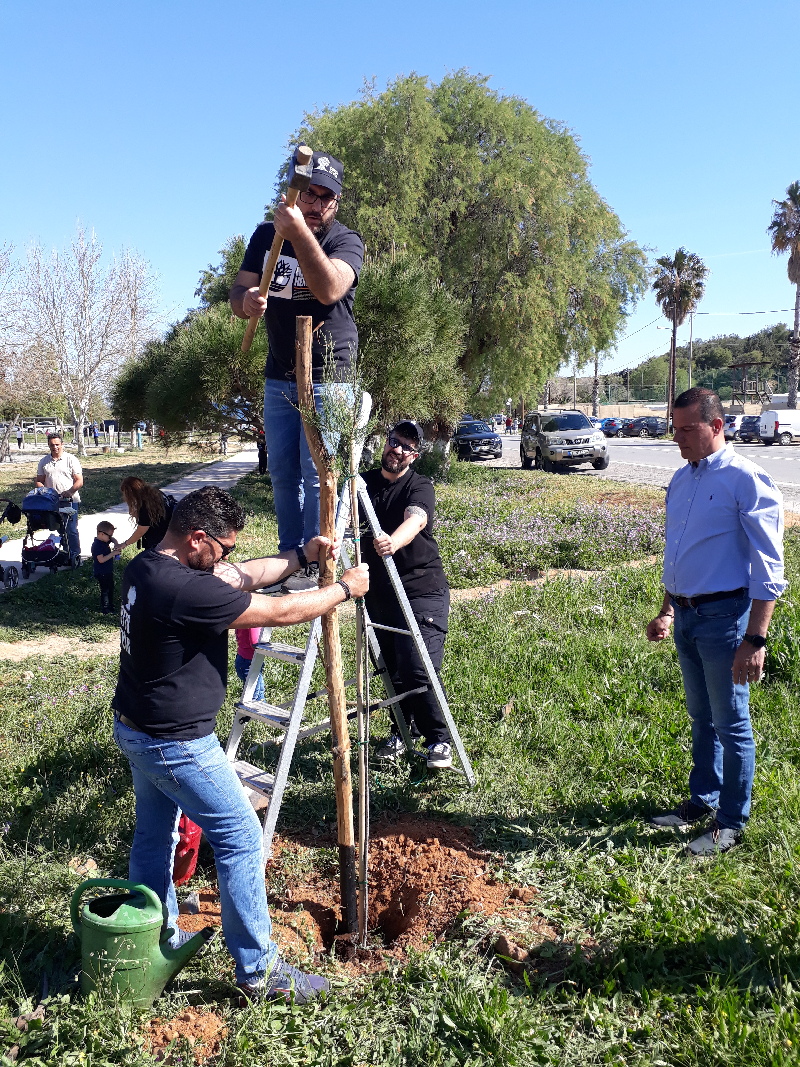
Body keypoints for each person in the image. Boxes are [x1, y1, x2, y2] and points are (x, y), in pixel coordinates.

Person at [112, 485, 368, 1003]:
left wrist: (301, 555)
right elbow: (280, 613)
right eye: (223, 548)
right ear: (197, 539)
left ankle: (156, 938)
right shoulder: (186, 590)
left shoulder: (150, 566)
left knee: (153, 838)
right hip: (176, 743)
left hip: (137, 727)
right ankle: (259, 972)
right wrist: (344, 589)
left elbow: (243, 574)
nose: (227, 558)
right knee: (242, 839)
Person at [645, 388, 786, 857]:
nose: (678, 437)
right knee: (700, 717)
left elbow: (769, 566)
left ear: (717, 426)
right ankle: (702, 801)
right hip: (685, 616)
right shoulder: (682, 480)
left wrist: (756, 637)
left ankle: (731, 824)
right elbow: (677, 552)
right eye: (675, 428)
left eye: (687, 429)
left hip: (726, 619)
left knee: (731, 723)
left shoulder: (746, 480)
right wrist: (667, 609)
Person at [230, 150, 364, 557]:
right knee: (283, 473)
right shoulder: (263, 237)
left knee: (318, 472)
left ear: (336, 203)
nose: (317, 205)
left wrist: (299, 233)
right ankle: (290, 554)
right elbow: (237, 293)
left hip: (330, 375)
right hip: (280, 374)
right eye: (309, 195)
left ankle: (316, 558)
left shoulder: (345, 241)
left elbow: (329, 289)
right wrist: (246, 302)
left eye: (327, 198)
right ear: (294, 192)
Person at [360, 421, 454, 770]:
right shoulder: (364, 483)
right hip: (380, 594)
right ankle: (402, 730)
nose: (397, 450)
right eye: (394, 442)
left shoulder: (420, 485)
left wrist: (393, 541)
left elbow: (416, 519)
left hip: (421, 590)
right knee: (391, 669)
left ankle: (439, 739)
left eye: (406, 447)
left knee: (418, 665)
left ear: (414, 456)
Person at [35, 433, 82, 560]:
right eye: (52, 445)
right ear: (48, 445)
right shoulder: (44, 461)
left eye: (57, 444)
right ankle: (66, 552)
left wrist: (70, 491)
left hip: (70, 501)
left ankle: (75, 555)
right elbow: (39, 480)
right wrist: (43, 491)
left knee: (71, 529)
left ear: (62, 444)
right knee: (59, 529)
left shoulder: (71, 459)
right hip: (52, 502)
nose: (55, 447)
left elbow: (79, 480)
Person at [115, 477, 176, 552]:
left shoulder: (145, 506)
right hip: (170, 534)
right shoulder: (156, 494)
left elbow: (141, 530)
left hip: (159, 542)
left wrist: (125, 544)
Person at [91, 520, 119, 614]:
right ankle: (105, 608)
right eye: (109, 535)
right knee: (105, 590)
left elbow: (113, 539)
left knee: (110, 587)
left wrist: (116, 543)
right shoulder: (97, 545)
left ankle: (110, 605)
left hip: (107, 571)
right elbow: (101, 559)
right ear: (101, 534)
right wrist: (113, 553)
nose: (110, 537)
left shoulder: (104, 541)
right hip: (101, 572)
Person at [234, 627, 265, 704]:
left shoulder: (246, 617)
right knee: (253, 695)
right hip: (250, 662)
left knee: (258, 691)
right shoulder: (255, 620)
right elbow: (255, 643)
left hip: (244, 659)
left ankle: (261, 709)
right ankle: (254, 714)